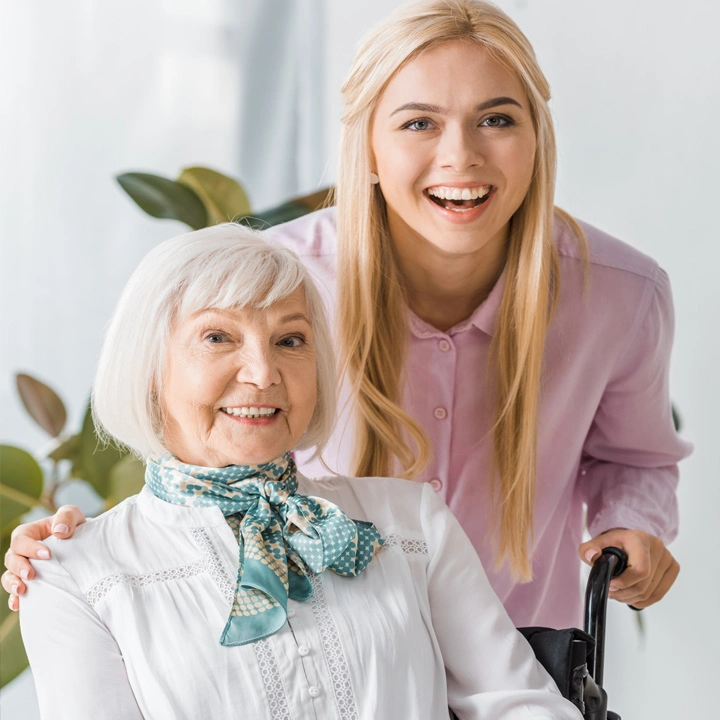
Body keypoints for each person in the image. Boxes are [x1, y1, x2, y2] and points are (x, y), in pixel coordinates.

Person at [4, 0, 690, 629]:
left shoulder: (622, 295)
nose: (461, 155)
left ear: (536, 139)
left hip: (521, 656)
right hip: (318, 657)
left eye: (497, 119)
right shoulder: (280, 282)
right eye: (419, 122)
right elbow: (198, 460)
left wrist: (631, 529)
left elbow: (635, 458)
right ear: (367, 146)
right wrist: (85, 550)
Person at [18, 225, 583, 720]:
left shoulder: (411, 522)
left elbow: (521, 705)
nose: (264, 373)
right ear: (148, 367)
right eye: (218, 337)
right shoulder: (74, 574)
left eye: (291, 340)